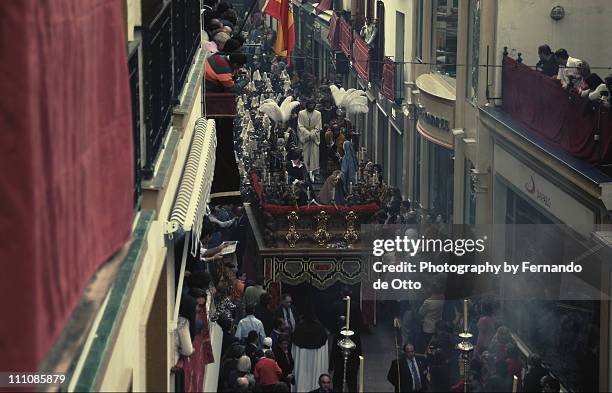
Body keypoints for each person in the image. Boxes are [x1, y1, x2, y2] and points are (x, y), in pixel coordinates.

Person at [292, 310, 329, 393]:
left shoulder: (300, 328)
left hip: (302, 357)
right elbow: (324, 342)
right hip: (316, 357)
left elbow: (294, 344)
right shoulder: (319, 328)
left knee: (302, 374)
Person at [298, 100, 322, 183]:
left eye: (313, 104)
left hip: (314, 137)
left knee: (314, 156)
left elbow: (318, 126)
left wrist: (312, 134)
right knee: (305, 155)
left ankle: (314, 174)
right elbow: (300, 125)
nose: (311, 106)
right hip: (305, 137)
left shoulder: (318, 114)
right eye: (310, 104)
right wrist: (307, 134)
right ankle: (305, 174)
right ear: (307, 105)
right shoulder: (301, 113)